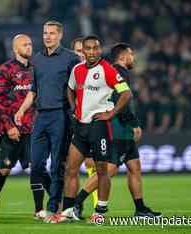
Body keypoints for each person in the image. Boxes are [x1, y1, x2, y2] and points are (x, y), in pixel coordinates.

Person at [70, 43, 161, 220]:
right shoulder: (118, 72)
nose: (133, 57)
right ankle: (77, 201)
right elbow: (121, 100)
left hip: (122, 129)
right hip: (118, 129)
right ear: (123, 57)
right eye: (131, 54)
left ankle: (140, 208)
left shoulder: (115, 71)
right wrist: (133, 123)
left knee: (134, 167)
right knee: (109, 170)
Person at [48, 35, 132, 223]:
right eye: (88, 48)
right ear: (83, 51)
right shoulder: (77, 69)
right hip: (80, 127)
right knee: (71, 168)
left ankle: (100, 211)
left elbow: (126, 93)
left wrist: (111, 113)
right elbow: (70, 89)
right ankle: (68, 211)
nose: (92, 52)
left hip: (99, 126)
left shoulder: (107, 70)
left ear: (99, 50)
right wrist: (73, 108)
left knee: (101, 170)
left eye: (95, 48)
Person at [15, 20, 81, 219]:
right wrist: (21, 110)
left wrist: (78, 113)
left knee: (57, 165)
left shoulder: (71, 59)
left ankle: (53, 208)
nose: (48, 36)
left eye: (52, 33)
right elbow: (33, 91)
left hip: (61, 115)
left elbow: (78, 89)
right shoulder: (36, 60)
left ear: (60, 36)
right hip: (40, 116)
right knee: (35, 165)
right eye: (45, 33)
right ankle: (58, 199)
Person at [0, 34, 35, 219]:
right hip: (8, 130)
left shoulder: (36, 68)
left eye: (30, 44)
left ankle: (46, 208)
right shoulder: (5, 69)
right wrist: (9, 126)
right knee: (5, 169)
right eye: (25, 44)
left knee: (37, 168)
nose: (29, 47)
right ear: (15, 48)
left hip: (31, 128)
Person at [71, 37, 98, 209]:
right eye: (78, 51)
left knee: (92, 164)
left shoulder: (98, 71)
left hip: (90, 124)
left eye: (84, 50)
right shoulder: (71, 71)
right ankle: (71, 206)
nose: (82, 54)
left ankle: (97, 207)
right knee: (69, 167)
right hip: (70, 122)